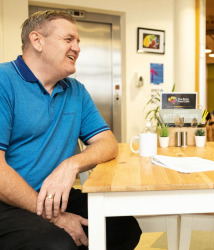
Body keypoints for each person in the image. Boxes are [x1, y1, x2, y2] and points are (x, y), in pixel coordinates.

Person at [0, 10, 141, 249]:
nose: (77, 47)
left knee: (122, 227)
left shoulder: (75, 90)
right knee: (58, 243)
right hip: (8, 203)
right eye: (68, 40)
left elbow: (107, 142)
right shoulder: (4, 81)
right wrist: (55, 217)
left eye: (78, 41)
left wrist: (70, 165)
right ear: (37, 41)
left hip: (56, 198)